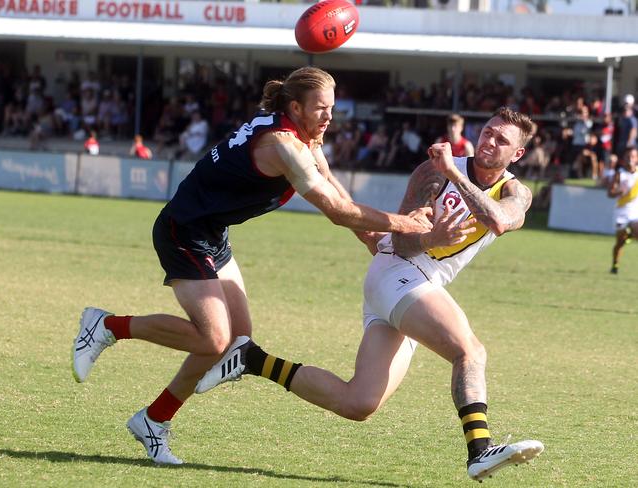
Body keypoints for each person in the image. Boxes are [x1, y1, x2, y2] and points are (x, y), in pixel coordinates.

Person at [71, 67, 432, 465]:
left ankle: (154, 419)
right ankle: (106, 326)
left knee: (237, 340)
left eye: (333, 109)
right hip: (183, 230)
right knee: (212, 340)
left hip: (212, 232)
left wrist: (371, 240)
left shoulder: (304, 135)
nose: (330, 117)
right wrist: (405, 224)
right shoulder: (283, 145)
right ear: (295, 107)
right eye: (322, 109)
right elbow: (336, 210)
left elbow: (330, 181)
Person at [198, 107, 545, 482]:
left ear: (518, 155)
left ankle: (252, 358)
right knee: (470, 351)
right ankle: (479, 450)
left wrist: (454, 176)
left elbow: (500, 219)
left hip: (418, 286)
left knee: (359, 402)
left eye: (502, 140)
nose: (490, 141)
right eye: (488, 132)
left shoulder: (514, 190)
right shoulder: (434, 169)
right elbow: (400, 240)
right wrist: (432, 233)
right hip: (400, 272)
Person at [607, 146, 638, 274]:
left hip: (635, 210)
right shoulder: (619, 174)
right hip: (622, 211)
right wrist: (619, 190)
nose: (630, 159)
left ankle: (630, 235)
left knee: (636, 229)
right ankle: (615, 264)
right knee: (619, 242)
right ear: (623, 159)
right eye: (627, 157)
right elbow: (610, 193)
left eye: (633, 156)